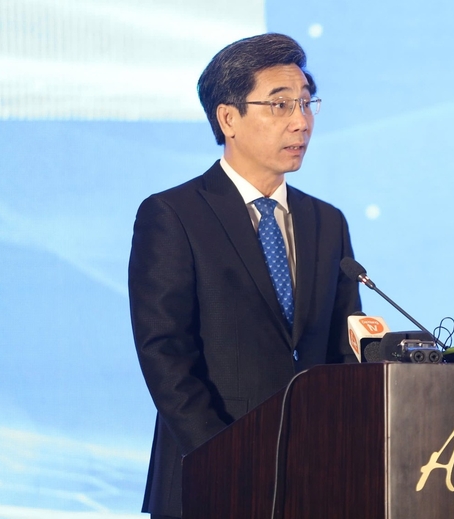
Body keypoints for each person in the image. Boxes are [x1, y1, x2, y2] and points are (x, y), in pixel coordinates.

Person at [128, 33, 361, 519]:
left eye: (305, 102)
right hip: (208, 475)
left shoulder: (326, 221)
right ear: (228, 118)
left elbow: (343, 349)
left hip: (312, 480)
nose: (301, 121)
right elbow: (165, 354)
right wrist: (226, 455)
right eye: (279, 105)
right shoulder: (174, 214)